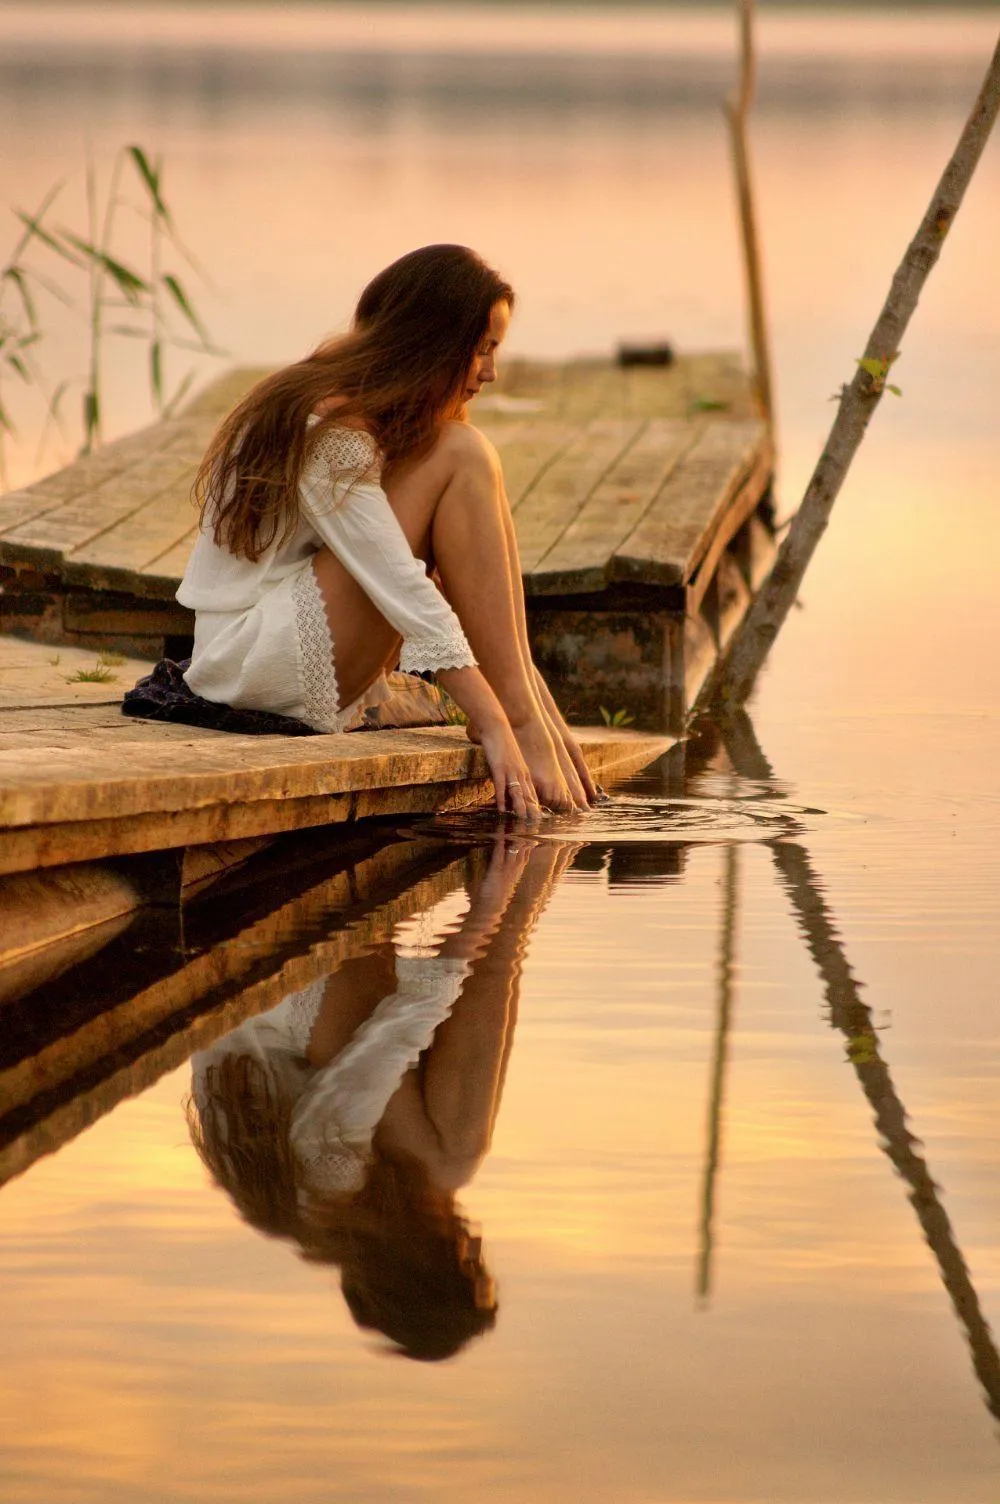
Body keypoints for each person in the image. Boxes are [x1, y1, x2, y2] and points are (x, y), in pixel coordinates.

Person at [178, 243, 598, 818]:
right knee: (464, 454)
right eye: (482, 350)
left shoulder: (368, 408)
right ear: (433, 344)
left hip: (269, 645)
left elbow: (473, 590)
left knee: (463, 450)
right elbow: (400, 585)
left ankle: (534, 715)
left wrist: (542, 716)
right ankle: (522, 718)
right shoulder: (327, 426)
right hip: (251, 665)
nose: (491, 373)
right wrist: (497, 722)